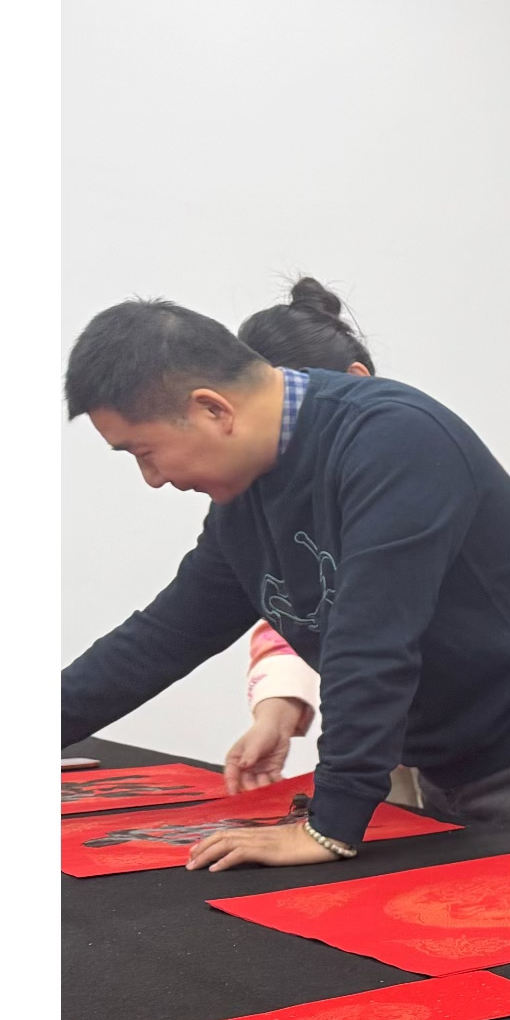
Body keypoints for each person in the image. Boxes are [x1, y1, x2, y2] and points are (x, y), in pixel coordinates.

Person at [58, 294, 510, 860]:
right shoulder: (244, 500)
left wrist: (329, 825)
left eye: (145, 452)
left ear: (213, 409)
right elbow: (161, 638)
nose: (153, 479)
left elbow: (371, 637)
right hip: (440, 761)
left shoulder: (393, 439)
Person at [222, 280, 380, 803]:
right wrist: (276, 710)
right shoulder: (269, 490)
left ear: (356, 383)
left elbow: (373, 632)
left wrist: (333, 817)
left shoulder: (403, 467)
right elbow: (299, 608)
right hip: (406, 748)